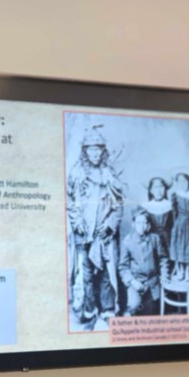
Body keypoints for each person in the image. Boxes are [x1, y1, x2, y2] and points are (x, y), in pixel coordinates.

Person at [66, 126, 124, 325]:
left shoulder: (109, 174)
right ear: (85, 151)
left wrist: (109, 226)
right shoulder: (76, 173)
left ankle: (107, 309)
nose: (95, 153)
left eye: (98, 149)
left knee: (107, 272)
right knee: (87, 273)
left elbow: (118, 205)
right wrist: (77, 222)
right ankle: (90, 308)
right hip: (84, 233)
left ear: (103, 151)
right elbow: (70, 202)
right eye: (91, 149)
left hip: (103, 233)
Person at [118, 209, 167, 315]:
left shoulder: (155, 238)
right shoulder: (127, 242)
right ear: (133, 224)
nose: (141, 226)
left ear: (148, 225)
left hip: (153, 282)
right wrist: (132, 282)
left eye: (144, 222)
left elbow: (163, 259)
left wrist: (164, 276)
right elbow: (123, 267)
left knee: (154, 310)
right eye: (139, 223)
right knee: (133, 306)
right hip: (136, 282)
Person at [141, 176, 173, 278]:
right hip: (152, 242)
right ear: (150, 190)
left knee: (170, 267)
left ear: (165, 189)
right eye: (155, 187)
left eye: (161, 187)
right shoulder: (145, 206)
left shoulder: (171, 205)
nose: (158, 190)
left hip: (169, 242)